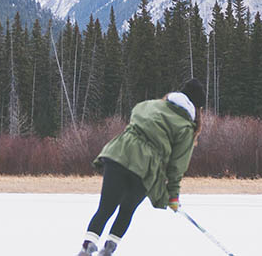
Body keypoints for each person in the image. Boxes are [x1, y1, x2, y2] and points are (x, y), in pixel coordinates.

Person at [76, 78, 205, 256]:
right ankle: (108, 249)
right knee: (127, 209)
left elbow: (135, 113)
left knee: (105, 207)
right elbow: (177, 167)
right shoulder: (186, 128)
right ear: (197, 109)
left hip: (120, 154)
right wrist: (173, 196)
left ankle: (87, 245)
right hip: (147, 168)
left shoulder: (150, 105)